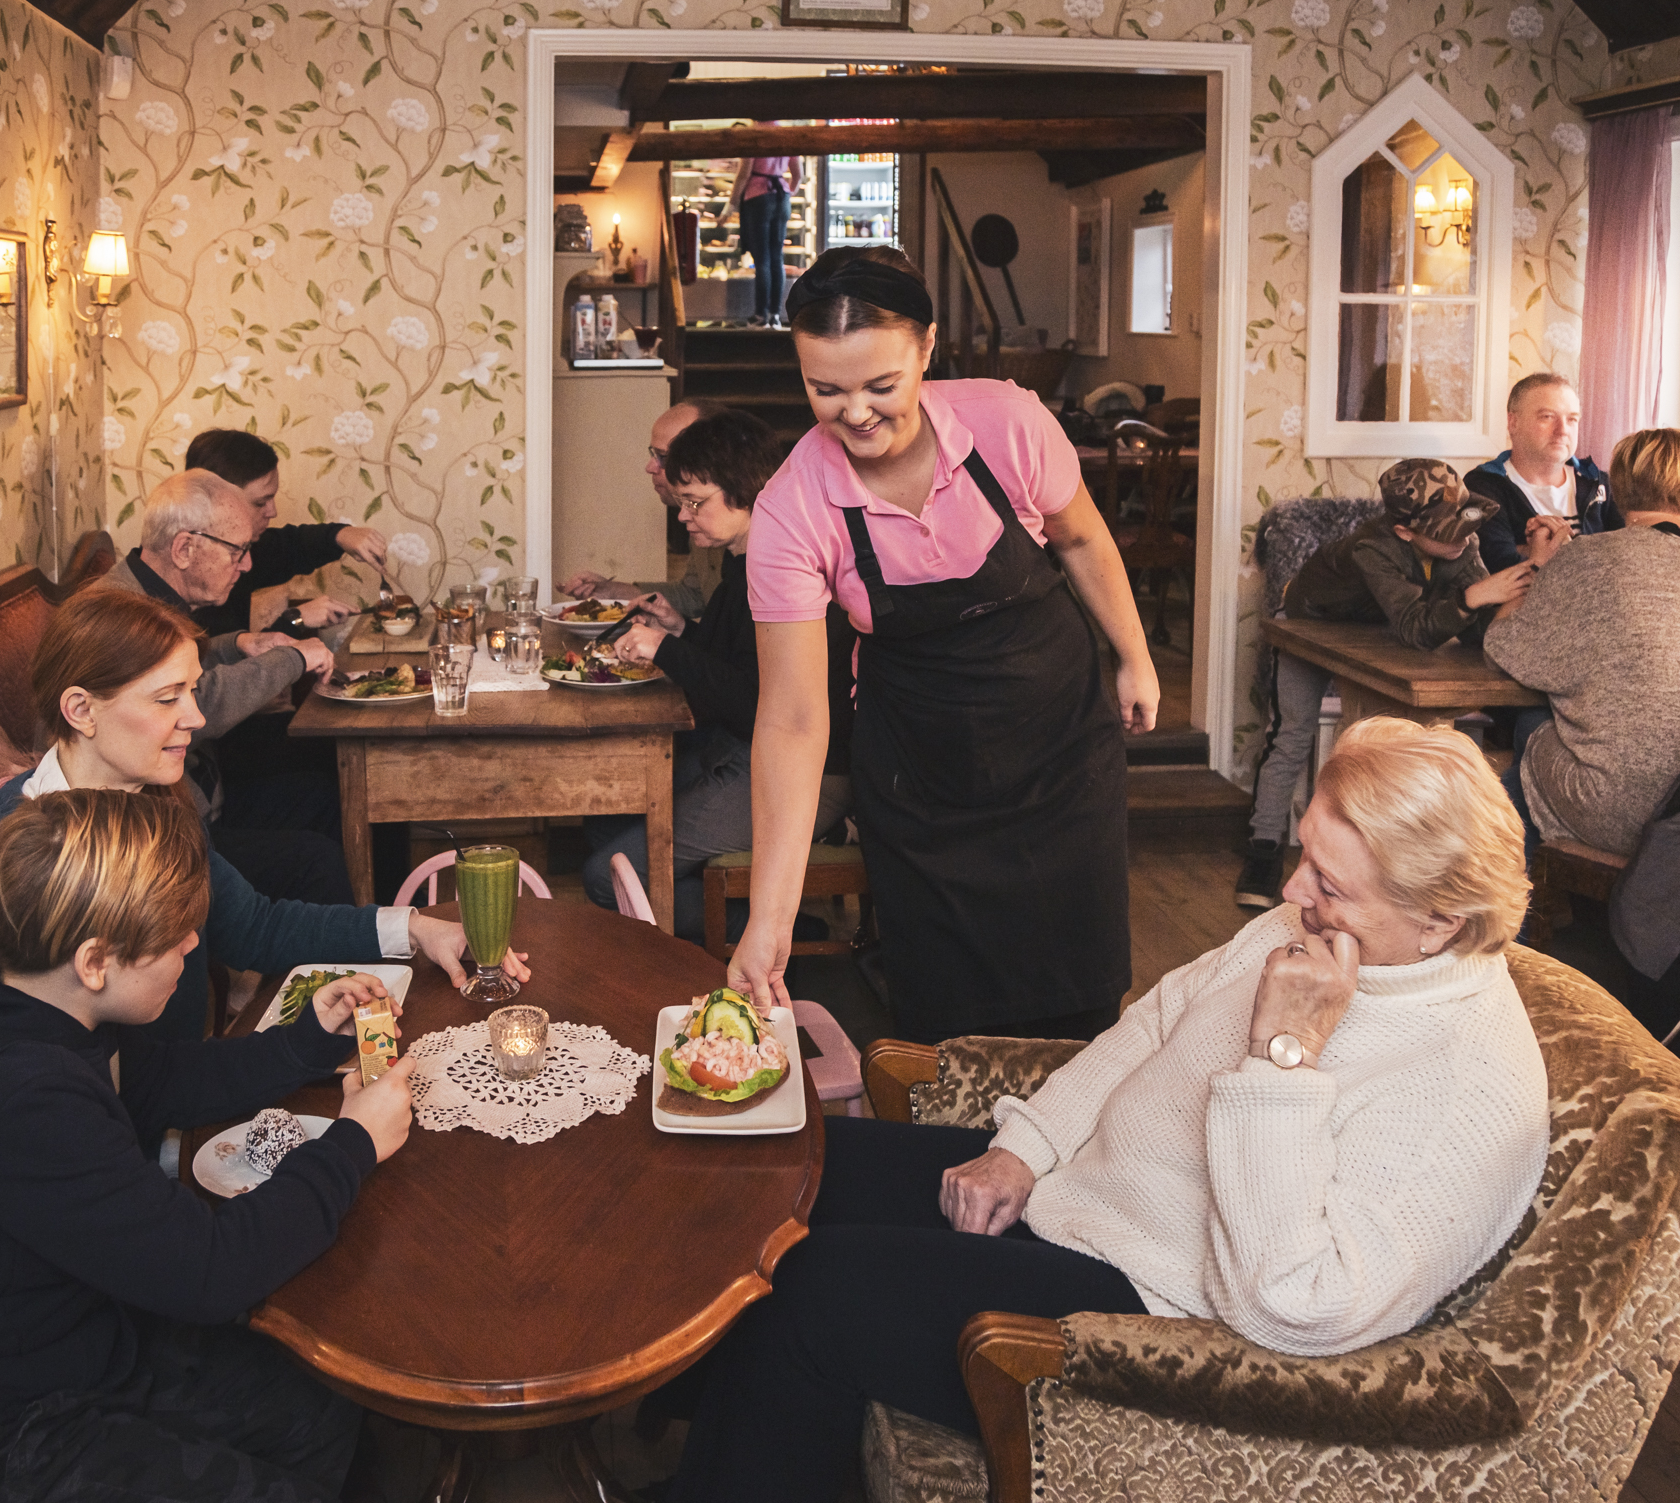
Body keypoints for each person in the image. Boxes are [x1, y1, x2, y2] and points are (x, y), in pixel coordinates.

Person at [658, 719, 1550, 1503]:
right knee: (776, 1157)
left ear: (1440, 921)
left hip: (1144, 1308)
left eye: (1329, 880)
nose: (1291, 894)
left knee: (817, 1292)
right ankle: (712, 1443)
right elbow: (1158, 1021)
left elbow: (1295, 1306)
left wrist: (1284, 1057)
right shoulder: (1318, 930)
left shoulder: (1468, 1089)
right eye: (1304, 856)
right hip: (1079, 1196)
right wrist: (1027, 1147)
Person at [0, 788, 414, 1502]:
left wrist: (302, 1044)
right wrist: (356, 1141)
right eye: (175, 935)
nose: (192, 946)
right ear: (95, 961)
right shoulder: (20, 1100)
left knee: (325, 1404)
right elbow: (211, 1270)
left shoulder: (18, 989)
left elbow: (154, 1078)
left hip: (72, 1342)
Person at [734, 246, 1158, 1044]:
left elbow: (1080, 539)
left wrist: (1134, 654)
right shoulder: (791, 509)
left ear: (927, 349)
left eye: (879, 386)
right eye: (825, 389)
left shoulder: (1007, 421)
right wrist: (771, 912)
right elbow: (792, 718)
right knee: (943, 1013)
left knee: (1083, 995)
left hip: (1061, 745)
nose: (854, 413)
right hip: (921, 773)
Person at [0, 590, 522, 1042]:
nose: (196, 719)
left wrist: (415, 927)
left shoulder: (156, 801)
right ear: (81, 710)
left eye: (193, 691)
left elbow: (254, 925)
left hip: (184, 1096)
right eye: (169, 698)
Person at [580, 410, 858, 940]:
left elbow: (757, 701)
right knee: (606, 809)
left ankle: (783, 931)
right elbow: (735, 661)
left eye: (695, 502)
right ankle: (717, 917)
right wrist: (681, 630)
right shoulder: (743, 558)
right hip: (741, 747)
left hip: (805, 771)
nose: (683, 516)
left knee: (605, 874)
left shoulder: (782, 565)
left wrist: (667, 648)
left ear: (745, 491)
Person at [1236, 459, 1539, 909]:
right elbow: (1421, 626)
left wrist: (1523, 579)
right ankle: (1262, 851)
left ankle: (1379, 865)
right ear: (1403, 532)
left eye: (1463, 525)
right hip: (1311, 624)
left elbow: (1476, 630)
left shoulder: (1461, 544)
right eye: (1445, 531)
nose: (1460, 537)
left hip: (1380, 633)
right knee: (1290, 736)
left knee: (1382, 744)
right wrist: (1476, 596)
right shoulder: (1371, 548)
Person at [1484, 428, 1680, 859]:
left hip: (1624, 813)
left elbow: (1502, 650)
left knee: (1531, 724)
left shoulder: (1592, 557)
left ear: (1622, 488)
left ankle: (1503, 905)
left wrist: (1538, 563)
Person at [107, 469, 351, 898]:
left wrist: (238, 644)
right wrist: (291, 657)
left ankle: (387, 932)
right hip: (160, 838)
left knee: (327, 798)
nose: (248, 564)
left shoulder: (148, 593)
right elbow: (197, 708)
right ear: (184, 548)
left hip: (201, 802)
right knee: (315, 862)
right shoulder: (122, 617)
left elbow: (183, 669)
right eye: (238, 551)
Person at [183, 427, 390, 637]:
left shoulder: (238, 548)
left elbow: (290, 546)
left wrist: (340, 535)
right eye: (260, 503)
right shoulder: (178, 587)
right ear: (217, 501)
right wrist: (295, 620)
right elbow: (228, 666)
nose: (273, 512)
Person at [560, 398, 732, 623]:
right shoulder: (695, 514)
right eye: (653, 455)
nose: (650, 467)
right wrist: (613, 592)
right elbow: (695, 596)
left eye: (663, 457)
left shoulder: (745, 533)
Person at [1464, 373, 1621, 572]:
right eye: (1547, 417)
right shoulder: (1482, 487)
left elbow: (1627, 558)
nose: (1562, 430)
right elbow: (1496, 566)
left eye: (1572, 419)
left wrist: (1533, 550)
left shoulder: (1600, 482)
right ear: (1513, 423)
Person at [731, 143, 802, 327]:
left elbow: (744, 174)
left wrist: (732, 203)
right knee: (776, 258)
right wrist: (789, 193)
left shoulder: (754, 136)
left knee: (762, 259)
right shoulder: (785, 136)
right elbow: (798, 175)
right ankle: (775, 316)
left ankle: (760, 315)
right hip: (781, 197)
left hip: (757, 198)